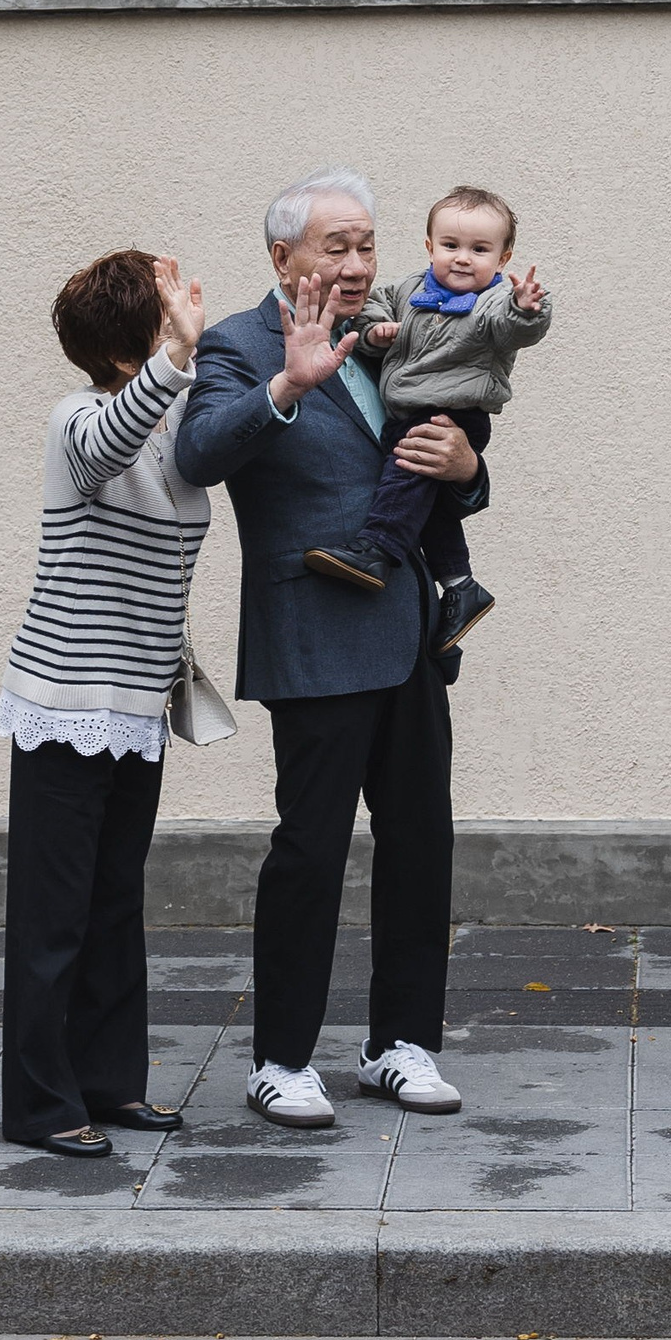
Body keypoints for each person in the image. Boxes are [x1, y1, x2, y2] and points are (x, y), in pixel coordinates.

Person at [173, 170, 486, 1133]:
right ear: (282, 259)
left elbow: (441, 452)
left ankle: (400, 1043)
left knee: (421, 840)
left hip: (406, 634)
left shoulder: (402, 328)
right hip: (312, 630)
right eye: (333, 248)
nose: (355, 266)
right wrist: (285, 386)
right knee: (310, 850)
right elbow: (197, 454)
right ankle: (282, 1059)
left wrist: (470, 470)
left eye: (365, 247)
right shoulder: (236, 343)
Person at [0, 247, 210, 1158]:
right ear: (133, 346)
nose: (184, 329)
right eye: (164, 316)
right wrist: (176, 357)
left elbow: (233, 426)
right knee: (54, 916)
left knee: (117, 903)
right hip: (64, 702)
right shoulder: (78, 419)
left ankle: (113, 1084)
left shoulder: (172, 423)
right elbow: (105, 444)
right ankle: (40, 1106)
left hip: (135, 708)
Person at [303, 183, 549, 645]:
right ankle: (460, 584)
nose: (462, 258)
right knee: (428, 503)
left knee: (407, 472)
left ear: (504, 258)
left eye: (480, 250)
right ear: (429, 246)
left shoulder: (493, 302)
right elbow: (375, 306)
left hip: (453, 415)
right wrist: (375, 331)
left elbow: (512, 328)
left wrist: (526, 308)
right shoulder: (411, 289)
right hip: (412, 407)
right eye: (451, 246)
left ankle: (378, 549)